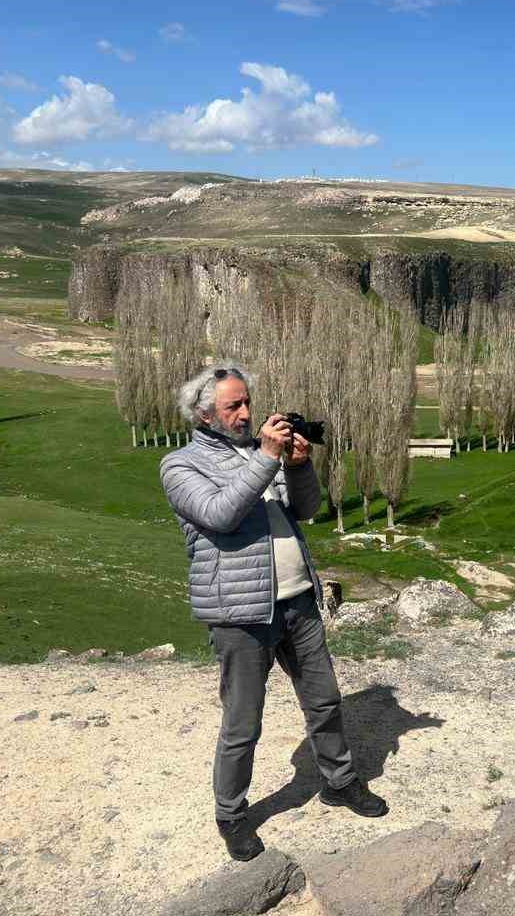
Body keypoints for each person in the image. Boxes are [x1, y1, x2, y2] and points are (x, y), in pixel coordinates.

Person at [161, 362, 387, 862]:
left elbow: (304, 511)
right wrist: (265, 457)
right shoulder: (181, 466)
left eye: (247, 403)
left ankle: (340, 781)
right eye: (233, 406)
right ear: (203, 414)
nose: (245, 413)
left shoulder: (261, 454)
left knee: (325, 700)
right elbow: (220, 514)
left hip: (298, 599)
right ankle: (232, 814)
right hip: (240, 612)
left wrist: (300, 466)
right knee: (243, 722)